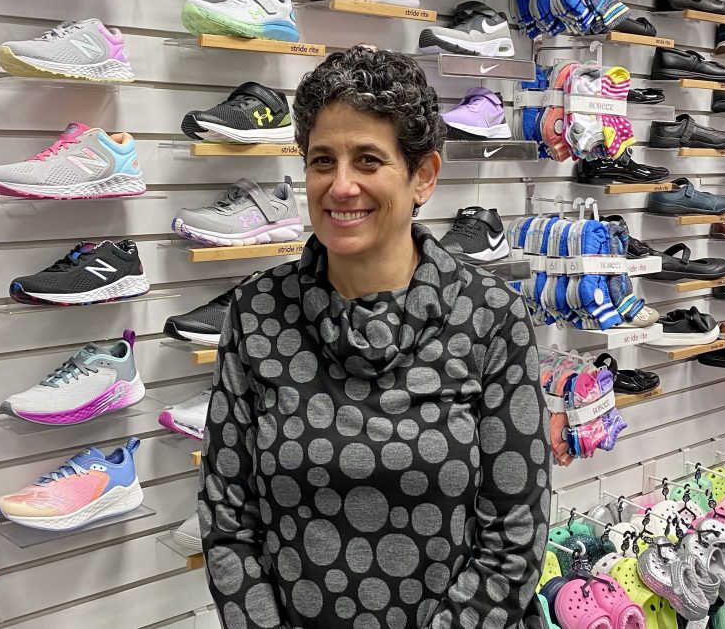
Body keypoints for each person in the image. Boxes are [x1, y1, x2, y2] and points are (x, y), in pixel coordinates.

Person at [198, 46, 552, 629]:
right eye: (322, 161)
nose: (341, 186)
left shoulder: (491, 316)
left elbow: (514, 539)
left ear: (423, 177)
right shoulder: (257, 312)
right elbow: (228, 521)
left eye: (367, 160)